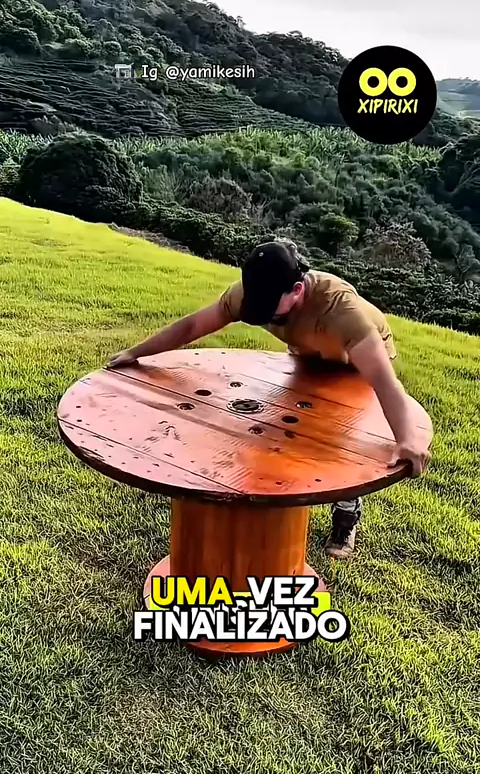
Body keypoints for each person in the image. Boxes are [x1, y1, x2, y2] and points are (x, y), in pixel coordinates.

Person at [107, 238, 431, 559]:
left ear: (297, 290)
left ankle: (346, 516)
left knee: (338, 439)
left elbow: (384, 382)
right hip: (307, 352)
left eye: (268, 308)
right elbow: (193, 325)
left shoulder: (340, 310)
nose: (260, 312)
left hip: (354, 361)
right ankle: (277, 501)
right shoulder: (250, 295)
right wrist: (137, 353)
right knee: (287, 430)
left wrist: (406, 438)